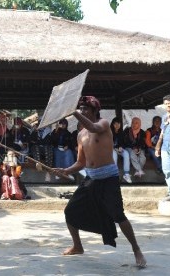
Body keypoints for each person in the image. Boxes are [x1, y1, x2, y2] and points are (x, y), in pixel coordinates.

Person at [52, 95, 146, 267]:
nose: (82, 112)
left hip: (109, 178)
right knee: (70, 211)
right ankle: (77, 246)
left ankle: (136, 250)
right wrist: (65, 170)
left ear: (95, 110)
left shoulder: (103, 124)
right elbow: (81, 162)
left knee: (118, 215)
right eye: (80, 109)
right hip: (91, 178)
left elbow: (93, 127)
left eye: (85, 109)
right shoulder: (80, 134)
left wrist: (72, 112)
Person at [110, 117, 132, 183]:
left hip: (118, 149)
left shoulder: (121, 132)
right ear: (112, 124)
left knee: (126, 153)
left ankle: (126, 174)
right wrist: (114, 148)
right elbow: (107, 143)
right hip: (110, 149)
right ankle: (114, 174)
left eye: (118, 124)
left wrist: (121, 147)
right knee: (114, 154)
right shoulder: (109, 132)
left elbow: (123, 143)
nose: (117, 125)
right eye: (115, 124)